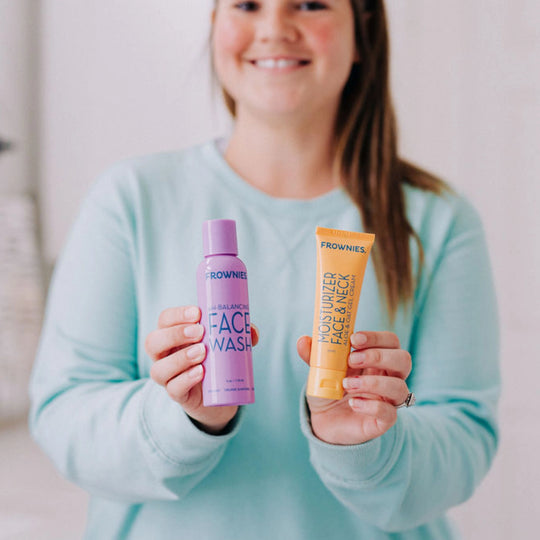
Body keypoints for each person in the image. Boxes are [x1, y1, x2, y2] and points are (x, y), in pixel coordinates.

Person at [29, 1, 500, 538]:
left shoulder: (436, 220)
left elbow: (467, 441)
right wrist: (185, 420)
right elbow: (64, 419)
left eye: (310, 3)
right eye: (248, 4)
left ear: (363, 28)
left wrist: (367, 446)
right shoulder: (130, 199)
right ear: (214, 26)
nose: (275, 28)